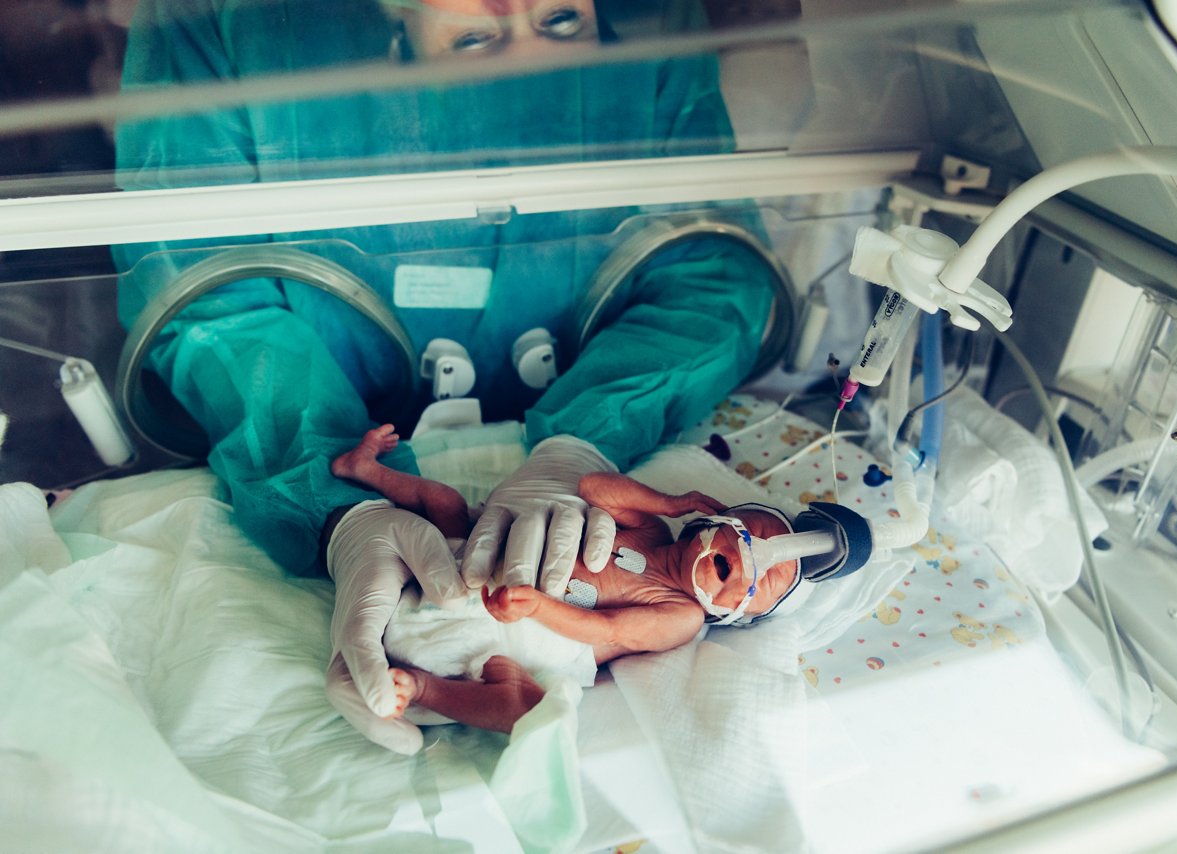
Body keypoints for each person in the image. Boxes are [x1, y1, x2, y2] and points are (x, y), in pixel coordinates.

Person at [112, 0, 777, 754]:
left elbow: (714, 278)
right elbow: (207, 302)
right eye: (475, 32)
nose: (519, 33)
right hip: (318, 444)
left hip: (576, 448)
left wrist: (585, 440)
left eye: (561, 21)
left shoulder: (651, 24)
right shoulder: (231, 20)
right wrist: (336, 509)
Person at [328, 423, 801, 737]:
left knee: (524, 705)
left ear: (741, 615)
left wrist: (537, 606)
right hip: (465, 573)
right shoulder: (652, 530)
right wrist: (672, 502)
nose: (750, 562)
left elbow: (608, 631)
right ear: (714, 521)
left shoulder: (682, 614)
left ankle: (423, 688)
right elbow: (595, 489)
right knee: (446, 504)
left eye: (766, 583)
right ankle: (364, 469)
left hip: (533, 639)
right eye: (751, 535)